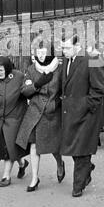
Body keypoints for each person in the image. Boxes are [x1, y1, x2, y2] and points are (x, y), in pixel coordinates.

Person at [60, 34, 104, 197]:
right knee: (73, 148)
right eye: (62, 48)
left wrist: (86, 106)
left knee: (81, 149)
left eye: (66, 48)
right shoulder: (66, 60)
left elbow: (99, 88)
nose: (63, 51)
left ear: (77, 46)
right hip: (70, 114)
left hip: (86, 115)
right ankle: (87, 168)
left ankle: (77, 186)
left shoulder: (92, 59)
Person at [16, 41, 64, 192]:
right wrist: (37, 84)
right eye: (38, 52)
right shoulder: (31, 69)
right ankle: (34, 178)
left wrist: (58, 102)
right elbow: (24, 90)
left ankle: (60, 163)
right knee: (34, 146)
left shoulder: (59, 69)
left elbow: (65, 89)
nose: (41, 55)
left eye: (43, 52)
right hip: (35, 113)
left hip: (52, 113)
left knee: (54, 147)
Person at [0, 56, 29, 187]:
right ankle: (22, 164)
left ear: (8, 68)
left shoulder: (19, 76)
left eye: (2, 70)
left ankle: (6, 176)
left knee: (8, 149)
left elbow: (26, 93)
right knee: (7, 147)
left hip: (14, 118)